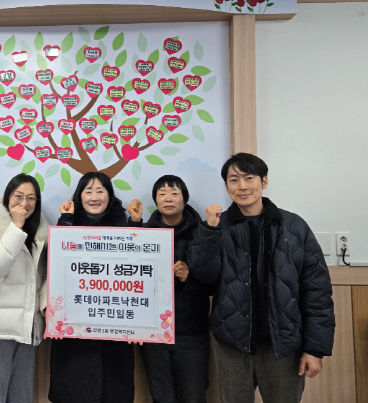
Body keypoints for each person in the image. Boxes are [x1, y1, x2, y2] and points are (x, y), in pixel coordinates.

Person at [188, 153, 335, 403]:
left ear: (264, 181)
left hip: (284, 343)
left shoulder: (294, 226)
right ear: (226, 186)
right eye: (234, 180)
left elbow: (317, 290)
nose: (242, 186)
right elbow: (203, 279)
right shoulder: (217, 226)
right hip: (231, 343)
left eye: (249, 178)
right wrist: (209, 232)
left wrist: (315, 348)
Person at [48, 171, 134, 403]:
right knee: (73, 391)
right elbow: (53, 268)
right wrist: (66, 220)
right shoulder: (67, 224)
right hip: (74, 330)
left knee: (113, 391)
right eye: (88, 191)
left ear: (109, 195)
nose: (94, 197)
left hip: (114, 329)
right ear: (79, 196)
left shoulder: (124, 228)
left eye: (100, 191)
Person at [127, 174, 211, 403]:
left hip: (191, 332)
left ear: (185, 198)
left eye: (175, 193)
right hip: (154, 332)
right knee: (161, 396)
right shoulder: (146, 231)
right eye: (162, 194)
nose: (168, 198)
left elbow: (213, 282)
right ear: (156, 200)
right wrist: (134, 223)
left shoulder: (202, 233)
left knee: (194, 396)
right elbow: (129, 269)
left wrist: (188, 278)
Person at [0, 173, 49, 403]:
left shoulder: (39, 235)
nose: (25, 203)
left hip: (26, 328)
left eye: (31, 198)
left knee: (21, 397)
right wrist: (16, 226)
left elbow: (42, 278)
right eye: (18, 196)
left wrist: (45, 307)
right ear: (7, 198)